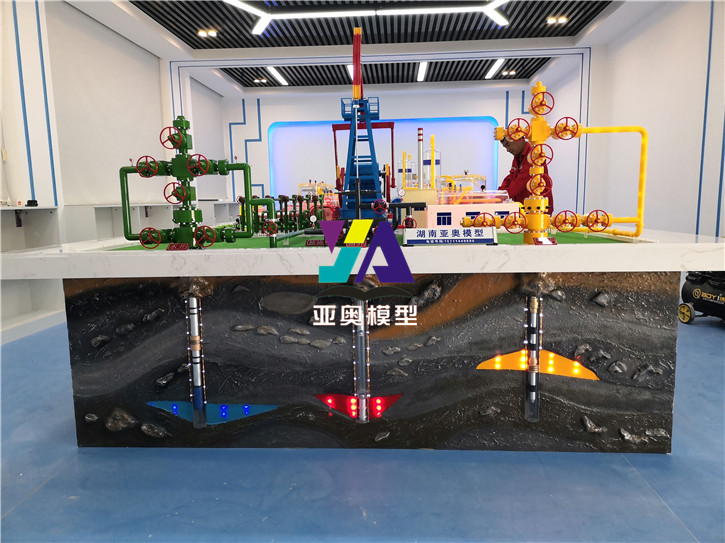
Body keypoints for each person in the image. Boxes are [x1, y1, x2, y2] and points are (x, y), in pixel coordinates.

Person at [498, 137, 554, 213]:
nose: (508, 150)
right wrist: (499, 194)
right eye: (505, 147)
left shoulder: (534, 156)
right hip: (524, 208)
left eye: (508, 145)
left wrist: (500, 198)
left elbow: (520, 182)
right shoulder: (518, 157)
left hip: (538, 210)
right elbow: (510, 177)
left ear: (517, 138)